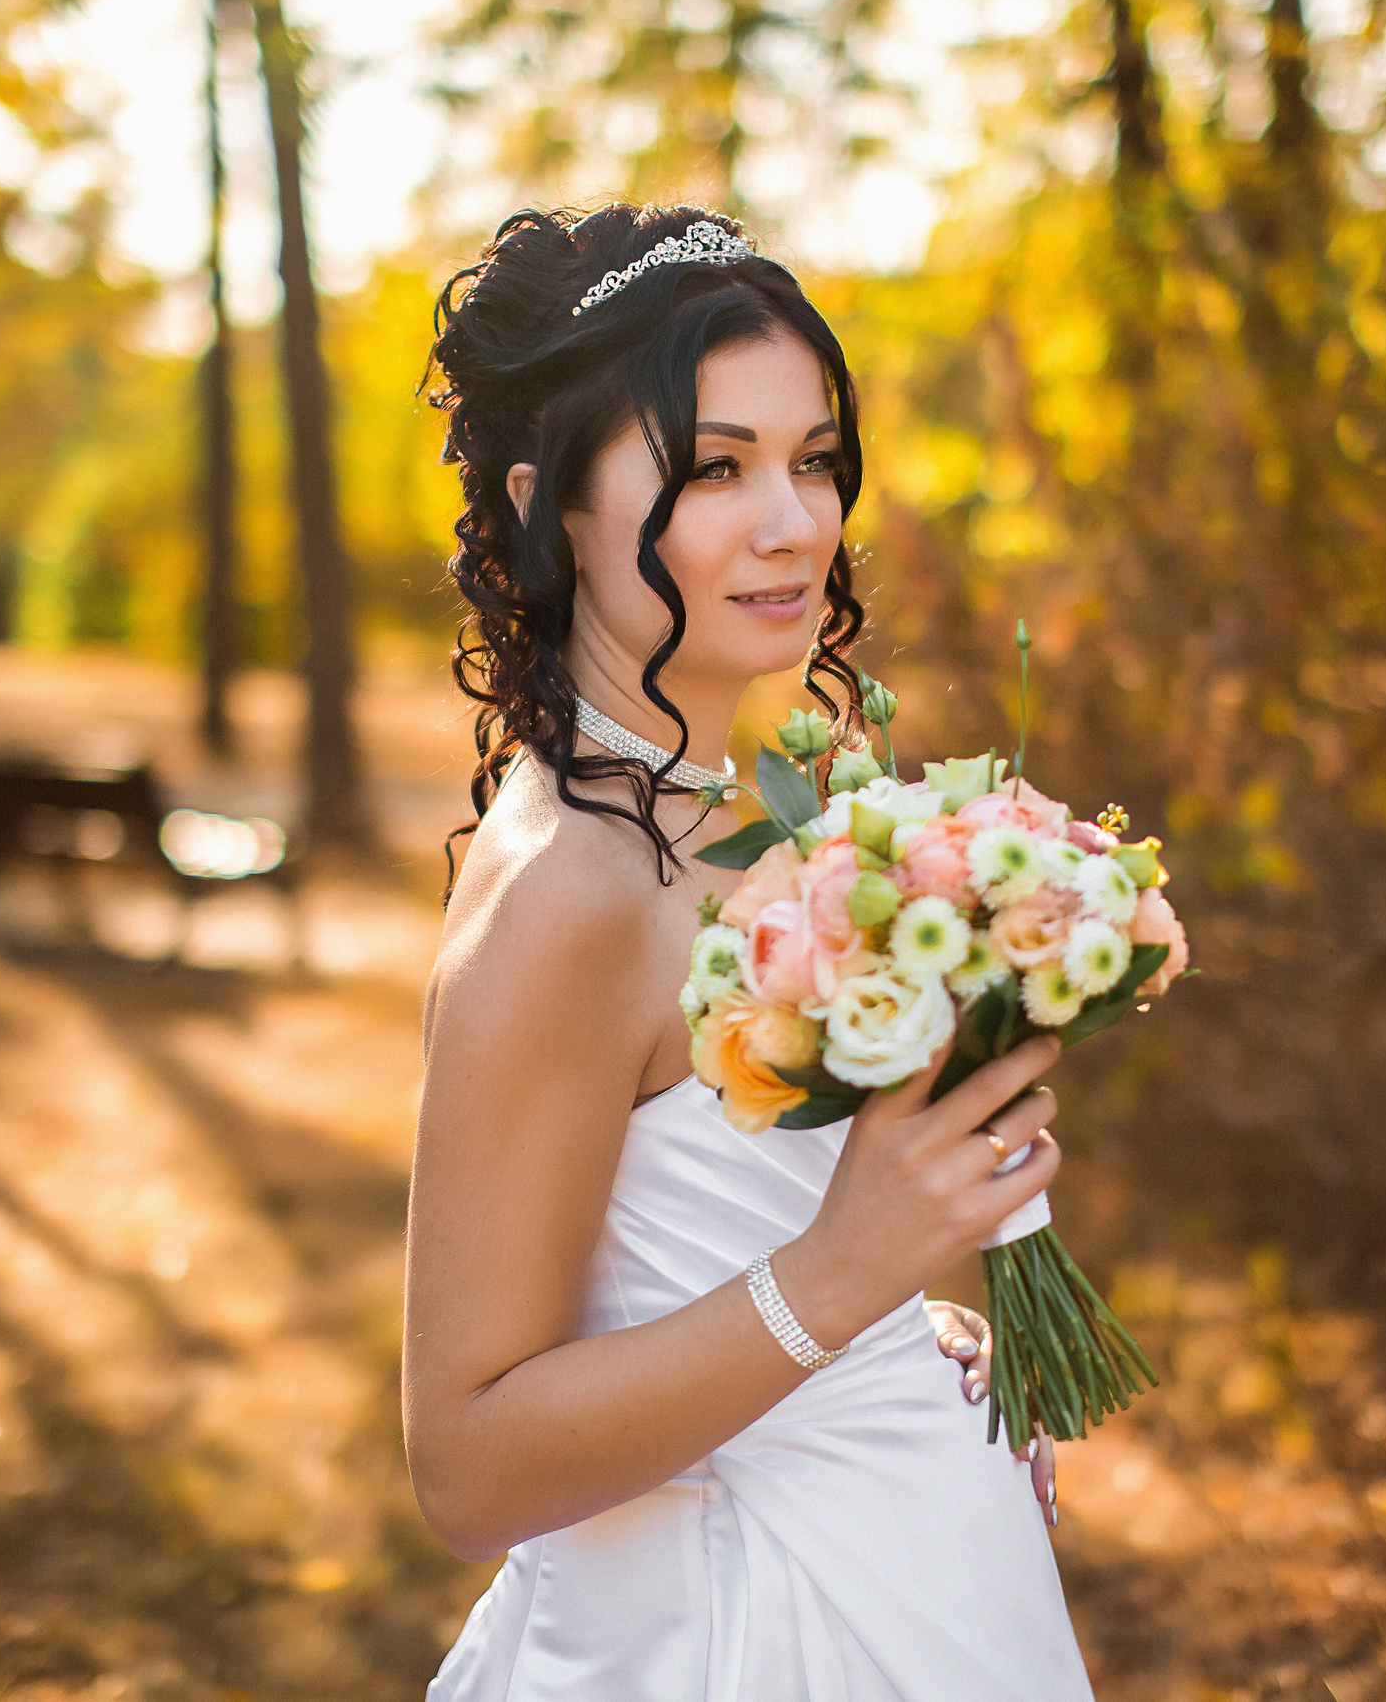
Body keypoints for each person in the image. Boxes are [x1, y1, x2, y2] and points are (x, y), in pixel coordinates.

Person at [406, 202, 1094, 1700]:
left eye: (815, 458)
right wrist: (841, 1278)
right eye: (714, 468)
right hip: (728, 1639)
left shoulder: (753, 797)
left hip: (909, 1573)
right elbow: (464, 1464)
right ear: (552, 510)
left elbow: (689, 1249)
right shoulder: (571, 891)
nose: (794, 522)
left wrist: (907, 1324)